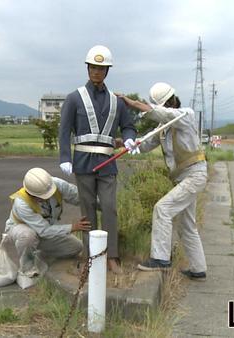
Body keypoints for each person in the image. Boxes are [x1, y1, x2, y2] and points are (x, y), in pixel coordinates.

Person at [59, 45, 137, 273]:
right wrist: (65, 156)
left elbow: (129, 126)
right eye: (93, 67)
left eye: (101, 68)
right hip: (82, 162)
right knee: (87, 209)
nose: (96, 72)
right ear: (87, 68)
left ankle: (112, 255)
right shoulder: (74, 98)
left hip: (107, 164)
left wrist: (130, 138)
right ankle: (90, 256)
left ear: (107, 71)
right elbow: (64, 131)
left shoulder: (117, 101)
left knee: (110, 208)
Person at [119, 82, 208, 280]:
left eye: (167, 103)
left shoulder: (186, 115)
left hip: (195, 175)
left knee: (162, 209)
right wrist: (126, 144)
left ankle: (160, 259)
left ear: (172, 100)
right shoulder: (163, 129)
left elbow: (164, 114)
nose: (166, 106)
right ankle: (198, 268)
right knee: (187, 225)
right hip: (183, 178)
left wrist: (131, 102)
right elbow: (144, 144)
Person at [5, 168, 91, 273]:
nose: (48, 197)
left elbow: (78, 196)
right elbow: (44, 230)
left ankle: (38, 257)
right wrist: (73, 227)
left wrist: (101, 204)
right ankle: (27, 270)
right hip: (20, 229)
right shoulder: (22, 203)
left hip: (44, 230)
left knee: (76, 247)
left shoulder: (56, 185)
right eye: (41, 196)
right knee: (28, 236)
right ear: (30, 193)